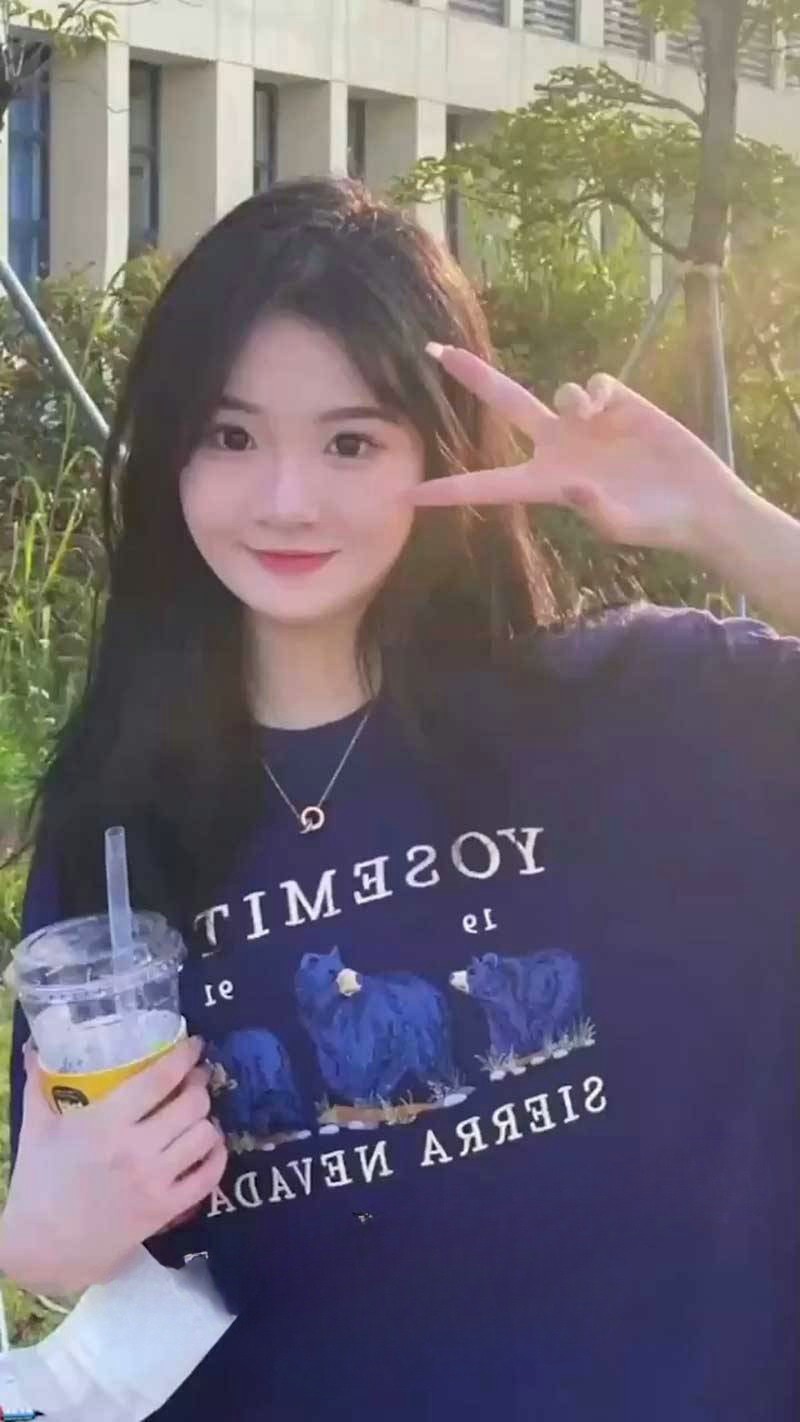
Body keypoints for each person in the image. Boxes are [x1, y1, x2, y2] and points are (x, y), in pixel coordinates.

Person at [2, 175, 799, 1421]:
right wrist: (44, 1255)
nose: (286, 499)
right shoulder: (121, 835)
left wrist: (720, 518)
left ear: (438, 452)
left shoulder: (636, 713)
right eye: (230, 436)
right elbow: (136, 1262)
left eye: (350, 442)